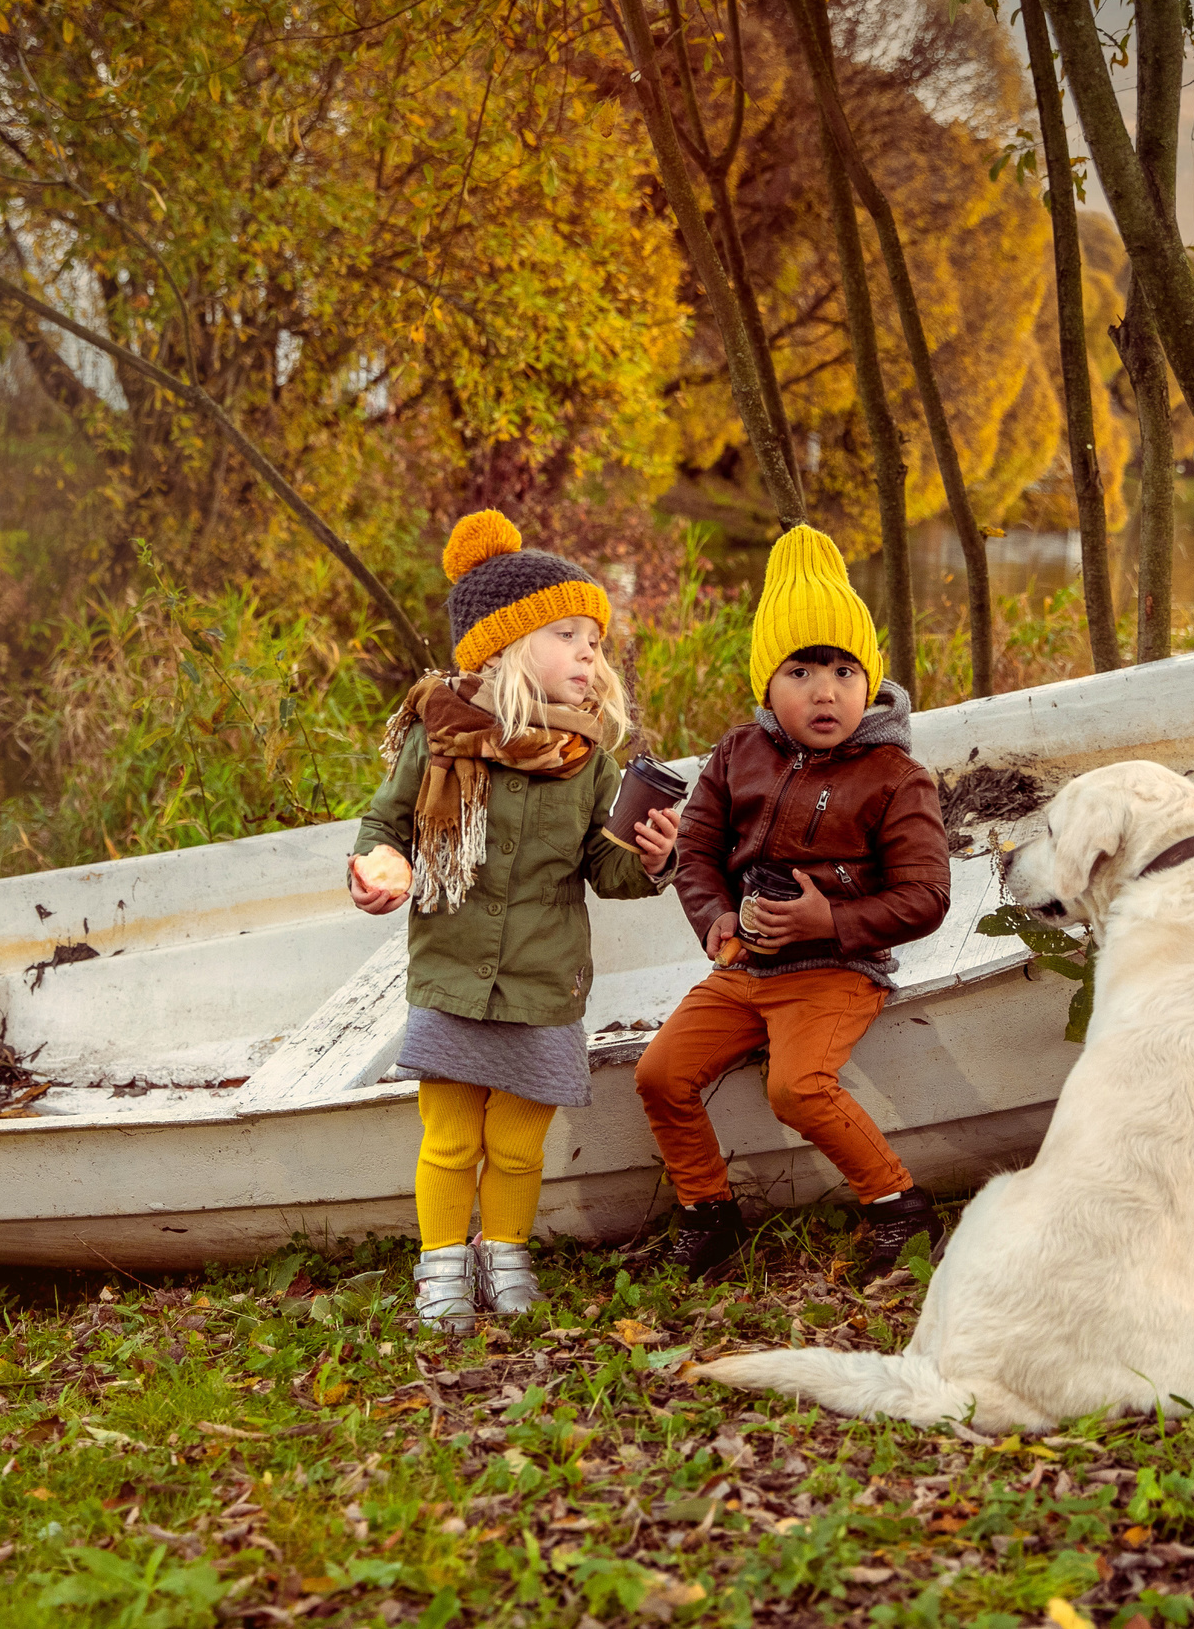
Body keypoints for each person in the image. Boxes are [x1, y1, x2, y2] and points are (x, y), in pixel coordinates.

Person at [350, 510, 680, 1330]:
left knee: (519, 1143)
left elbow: (606, 870)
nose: (588, 654)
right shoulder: (439, 737)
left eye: (594, 641)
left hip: (542, 985)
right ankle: (440, 1269)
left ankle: (505, 1255)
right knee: (450, 1137)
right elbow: (386, 824)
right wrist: (380, 867)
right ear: (502, 647)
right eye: (566, 635)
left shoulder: (591, 763)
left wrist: (653, 856)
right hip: (453, 975)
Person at [634, 523, 953, 1281]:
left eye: (845, 670)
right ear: (767, 686)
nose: (825, 690)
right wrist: (714, 916)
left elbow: (927, 895)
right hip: (745, 967)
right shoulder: (738, 754)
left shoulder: (895, 776)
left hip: (835, 970)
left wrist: (830, 920)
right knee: (660, 1074)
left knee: (796, 1087)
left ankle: (899, 1206)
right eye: (801, 670)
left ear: (869, 681)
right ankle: (708, 1213)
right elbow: (697, 850)